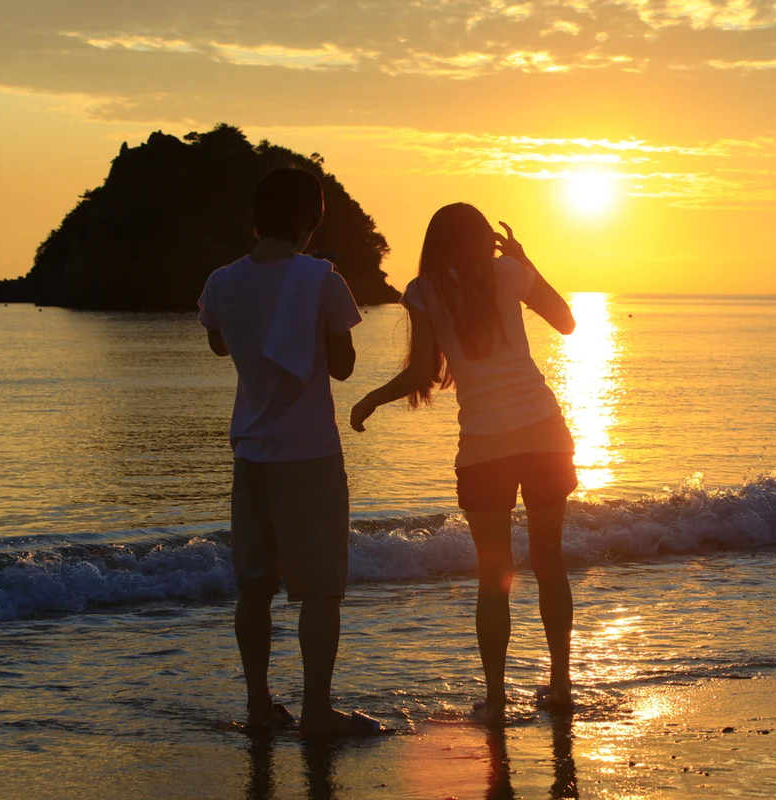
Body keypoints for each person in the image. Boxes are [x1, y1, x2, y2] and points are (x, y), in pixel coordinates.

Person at [350, 203, 577, 724]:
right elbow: (566, 321)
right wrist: (525, 260)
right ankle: (560, 684)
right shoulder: (509, 271)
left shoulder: (423, 291)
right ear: (484, 241)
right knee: (549, 564)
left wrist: (371, 400)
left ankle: (497, 700)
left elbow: (422, 373)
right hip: (544, 432)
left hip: (485, 447)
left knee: (494, 573)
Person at [198, 166, 374, 735]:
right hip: (309, 454)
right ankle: (318, 712)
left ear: (255, 219)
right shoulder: (322, 279)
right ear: (310, 218)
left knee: (254, 589)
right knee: (319, 589)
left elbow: (220, 345)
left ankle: (257, 707)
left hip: (250, 454)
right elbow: (344, 368)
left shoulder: (221, 282)